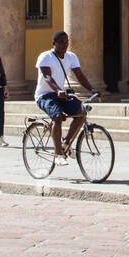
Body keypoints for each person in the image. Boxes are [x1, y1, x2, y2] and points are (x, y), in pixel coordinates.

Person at [35, 31, 96, 161]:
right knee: (57, 117)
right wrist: (58, 90)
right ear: (54, 44)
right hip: (44, 95)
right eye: (61, 42)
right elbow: (47, 76)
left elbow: (79, 75)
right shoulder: (45, 57)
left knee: (81, 112)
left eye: (66, 42)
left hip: (60, 94)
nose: (65, 44)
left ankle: (66, 142)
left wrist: (92, 89)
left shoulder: (71, 57)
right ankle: (58, 154)